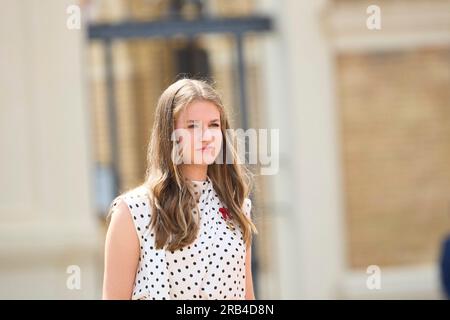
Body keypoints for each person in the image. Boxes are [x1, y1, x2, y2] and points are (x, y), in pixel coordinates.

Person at [102, 78, 257, 300]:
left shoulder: (238, 207)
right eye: (192, 126)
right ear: (170, 135)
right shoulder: (132, 211)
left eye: (214, 125)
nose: (206, 136)